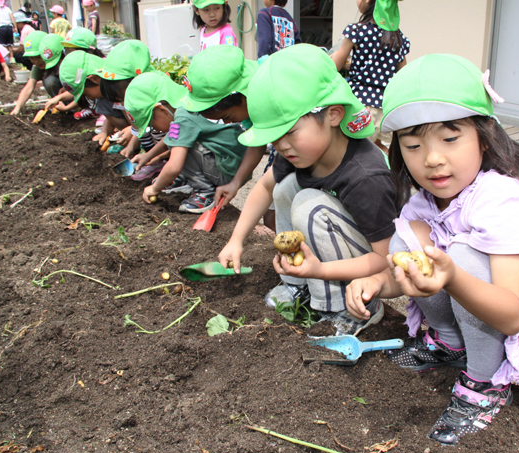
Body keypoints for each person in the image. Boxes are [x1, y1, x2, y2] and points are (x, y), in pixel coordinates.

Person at [345, 54, 519, 446]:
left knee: (460, 255)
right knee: (408, 243)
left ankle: (486, 381)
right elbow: (405, 275)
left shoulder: (502, 200)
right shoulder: (423, 203)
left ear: (484, 136)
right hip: (477, 302)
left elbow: (513, 315)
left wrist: (453, 277)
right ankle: (449, 343)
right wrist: (372, 282)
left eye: (450, 138)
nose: (433, 158)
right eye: (413, 144)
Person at [218, 44, 399, 336]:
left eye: (289, 131)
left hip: (374, 261)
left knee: (307, 203)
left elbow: (387, 258)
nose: (281, 146)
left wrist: (321, 272)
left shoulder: (366, 177)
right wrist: (236, 240)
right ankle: (298, 285)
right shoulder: (300, 152)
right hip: (337, 246)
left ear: (333, 114)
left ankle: (349, 305)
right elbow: (264, 188)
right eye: (274, 137)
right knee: (284, 187)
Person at [137, 45, 266, 213]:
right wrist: (234, 185)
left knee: (181, 143)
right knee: (178, 140)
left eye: (227, 117)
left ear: (240, 97)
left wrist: (153, 189)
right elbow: (257, 142)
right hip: (233, 163)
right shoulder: (247, 100)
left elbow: (174, 165)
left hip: (228, 166)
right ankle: (190, 181)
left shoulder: (265, 101)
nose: (228, 123)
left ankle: (205, 191)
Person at [331, 0, 409, 153]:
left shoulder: (357, 31)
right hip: (385, 107)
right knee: (380, 151)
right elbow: (403, 76)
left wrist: (332, 58)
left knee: (352, 152)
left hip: (360, 104)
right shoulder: (398, 38)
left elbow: (334, 66)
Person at [98, 39, 158, 160]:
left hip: (167, 143)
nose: (121, 103)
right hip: (154, 141)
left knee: (149, 129)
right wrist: (130, 147)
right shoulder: (134, 93)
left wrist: (152, 156)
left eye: (122, 98)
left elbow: (147, 126)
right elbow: (139, 125)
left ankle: (156, 160)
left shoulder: (155, 95)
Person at [11, 32, 64, 114]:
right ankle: (60, 106)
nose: (36, 61)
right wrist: (17, 108)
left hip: (73, 94)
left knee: (50, 81)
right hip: (60, 97)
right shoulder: (38, 67)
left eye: (39, 57)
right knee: (49, 81)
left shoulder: (62, 63)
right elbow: (29, 87)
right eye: (32, 58)